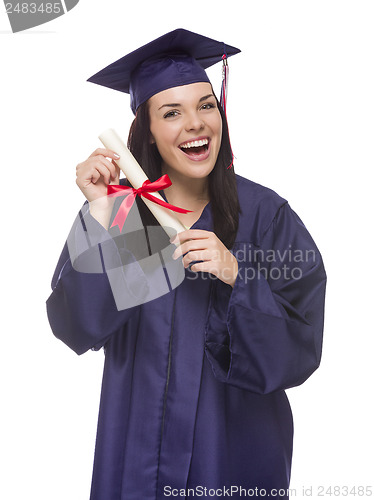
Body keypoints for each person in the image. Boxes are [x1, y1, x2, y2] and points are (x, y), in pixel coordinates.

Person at [46, 29, 327, 500]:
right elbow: (75, 326)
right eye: (171, 112)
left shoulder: (265, 215)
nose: (195, 123)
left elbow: (300, 350)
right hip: (134, 458)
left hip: (233, 459)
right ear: (148, 131)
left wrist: (237, 275)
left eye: (206, 105)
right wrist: (101, 213)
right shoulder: (120, 214)